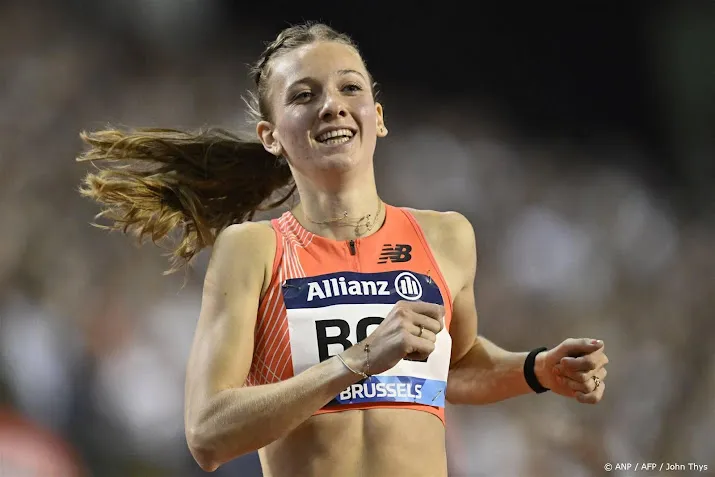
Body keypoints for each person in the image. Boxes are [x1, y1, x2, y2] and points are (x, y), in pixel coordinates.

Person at [76, 22, 609, 477]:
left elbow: (453, 366)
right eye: (304, 95)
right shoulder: (253, 251)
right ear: (270, 136)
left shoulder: (446, 237)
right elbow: (208, 433)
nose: (332, 106)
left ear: (377, 115)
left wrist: (537, 369)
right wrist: (354, 363)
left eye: (349, 88)